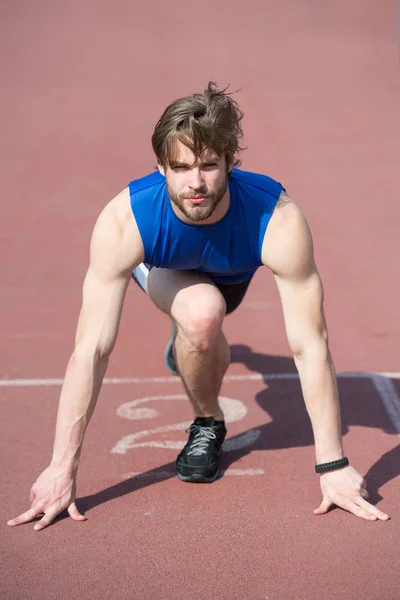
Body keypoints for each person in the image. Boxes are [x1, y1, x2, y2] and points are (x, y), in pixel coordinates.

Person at [8, 82, 389, 531]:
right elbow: (90, 349)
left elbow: (310, 345)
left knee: (208, 317)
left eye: (210, 166)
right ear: (160, 167)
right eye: (181, 167)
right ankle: (208, 421)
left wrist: (332, 465)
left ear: (230, 163)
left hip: (234, 276)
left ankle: (188, 347)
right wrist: (61, 468)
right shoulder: (126, 220)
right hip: (164, 268)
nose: (196, 183)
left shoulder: (278, 218)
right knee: (202, 315)